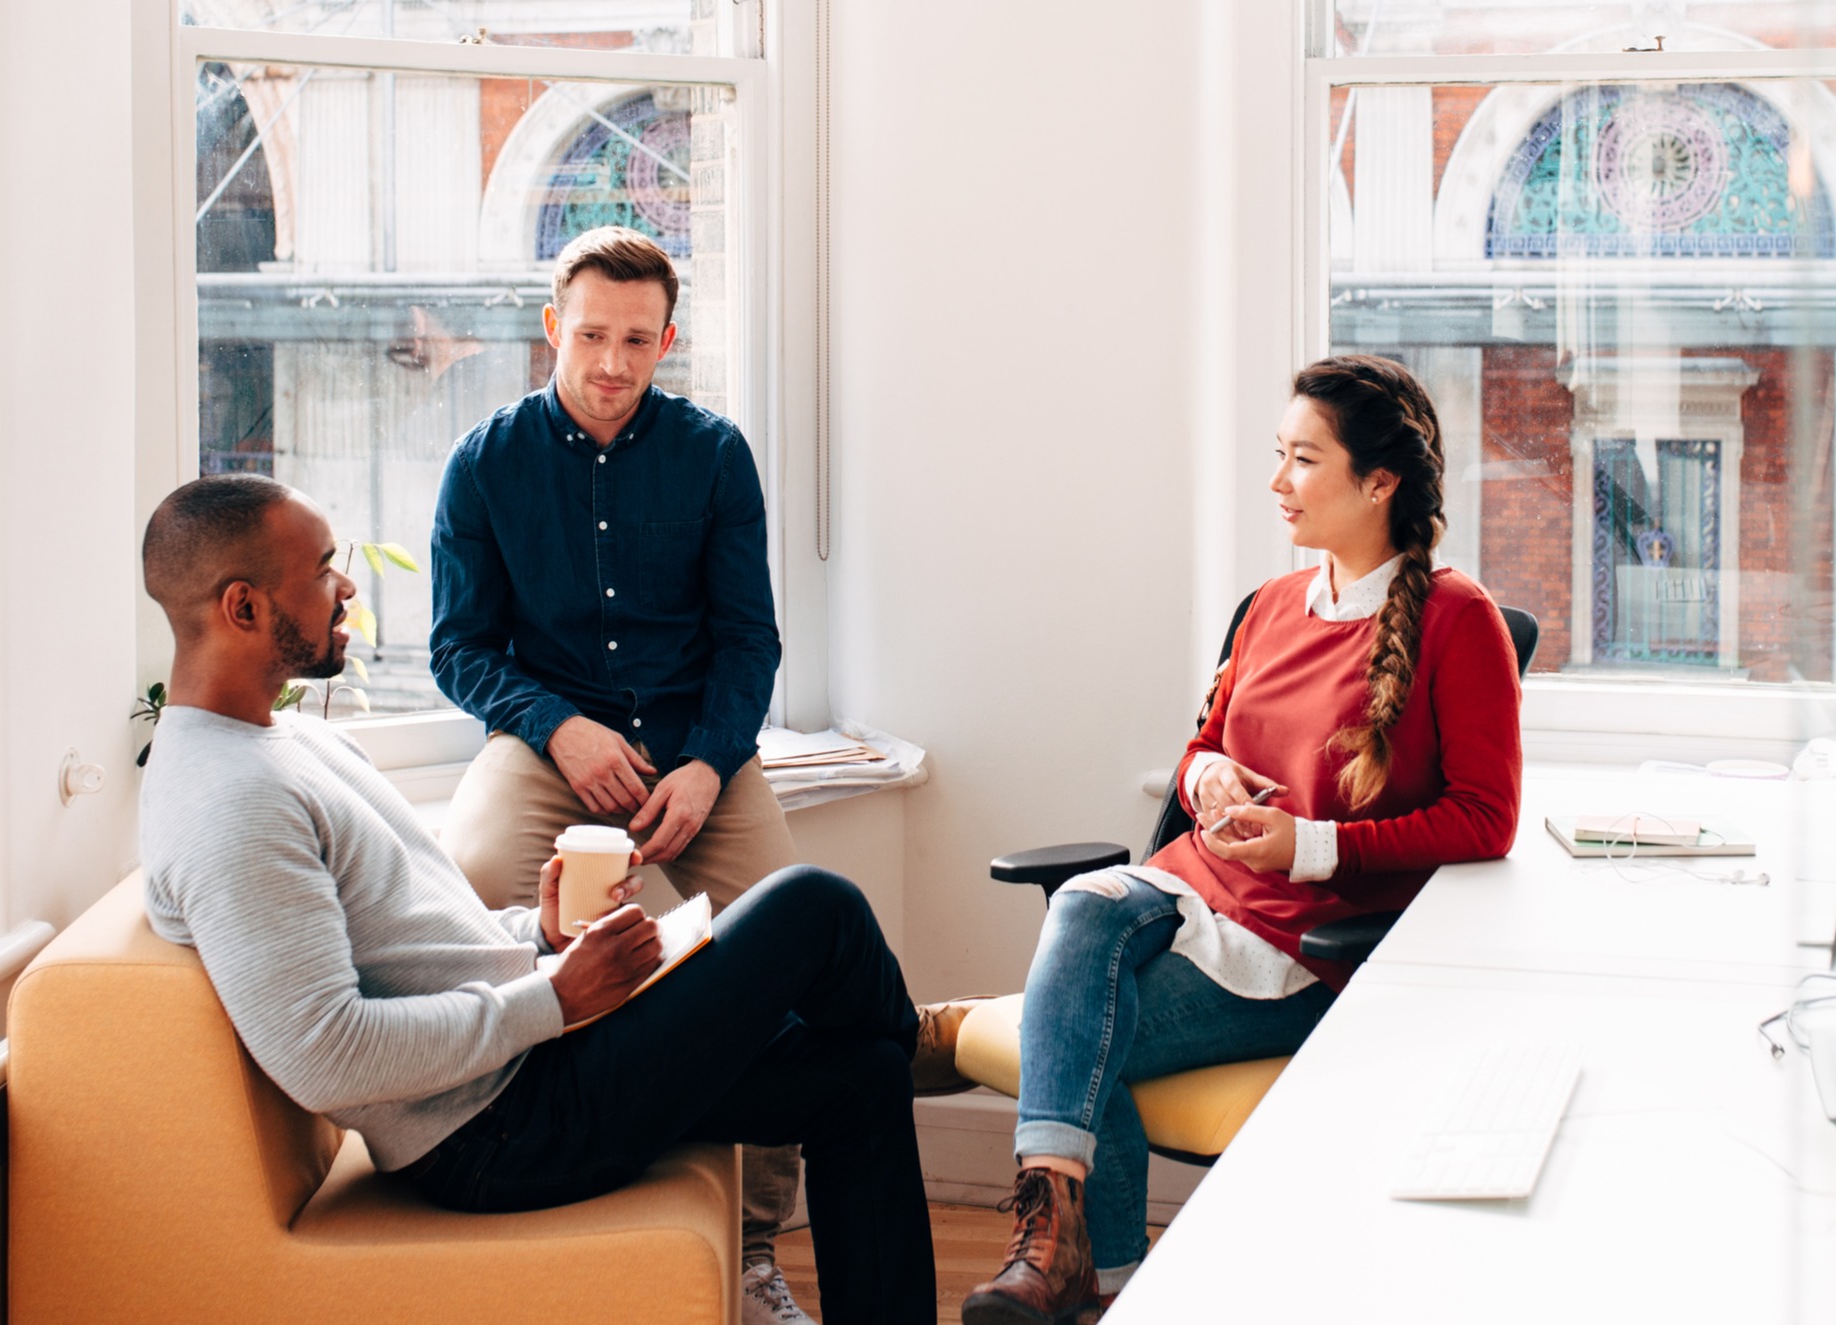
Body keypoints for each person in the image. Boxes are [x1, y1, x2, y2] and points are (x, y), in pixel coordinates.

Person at [138, 474, 949, 1325]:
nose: (346, 588)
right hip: (490, 1133)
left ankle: (902, 1045)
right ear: (242, 607)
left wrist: (544, 934)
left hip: (522, 1073)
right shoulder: (230, 802)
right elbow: (324, 1054)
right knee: (812, 906)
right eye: (323, 569)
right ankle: (930, 1036)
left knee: (861, 1076)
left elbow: (416, 942)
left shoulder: (286, 740)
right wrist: (555, 998)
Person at [960, 357, 1524, 1325]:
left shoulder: (1457, 620)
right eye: (1278, 456)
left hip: (1307, 945)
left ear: (1378, 481)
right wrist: (1203, 778)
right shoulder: (1269, 605)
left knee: (1080, 1045)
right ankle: (1072, 1266)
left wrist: (1308, 846)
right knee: (1087, 902)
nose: (1277, 483)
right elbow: (1200, 749)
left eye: (1303, 460)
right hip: (1191, 894)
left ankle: (1075, 1276)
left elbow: (1485, 818)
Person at [427, 226, 821, 1319]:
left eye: (636, 340)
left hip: (698, 750)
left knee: (782, 950)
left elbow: (750, 640)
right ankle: (532, 1177)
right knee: (473, 896)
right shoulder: (483, 462)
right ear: (552, 325)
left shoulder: (714, 453)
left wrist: (704, 766)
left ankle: (749, 1248)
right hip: (550, 746)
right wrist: (559, 728)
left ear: (667, 342)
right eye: (592, 333)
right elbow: (459, 647)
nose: (611, 362)